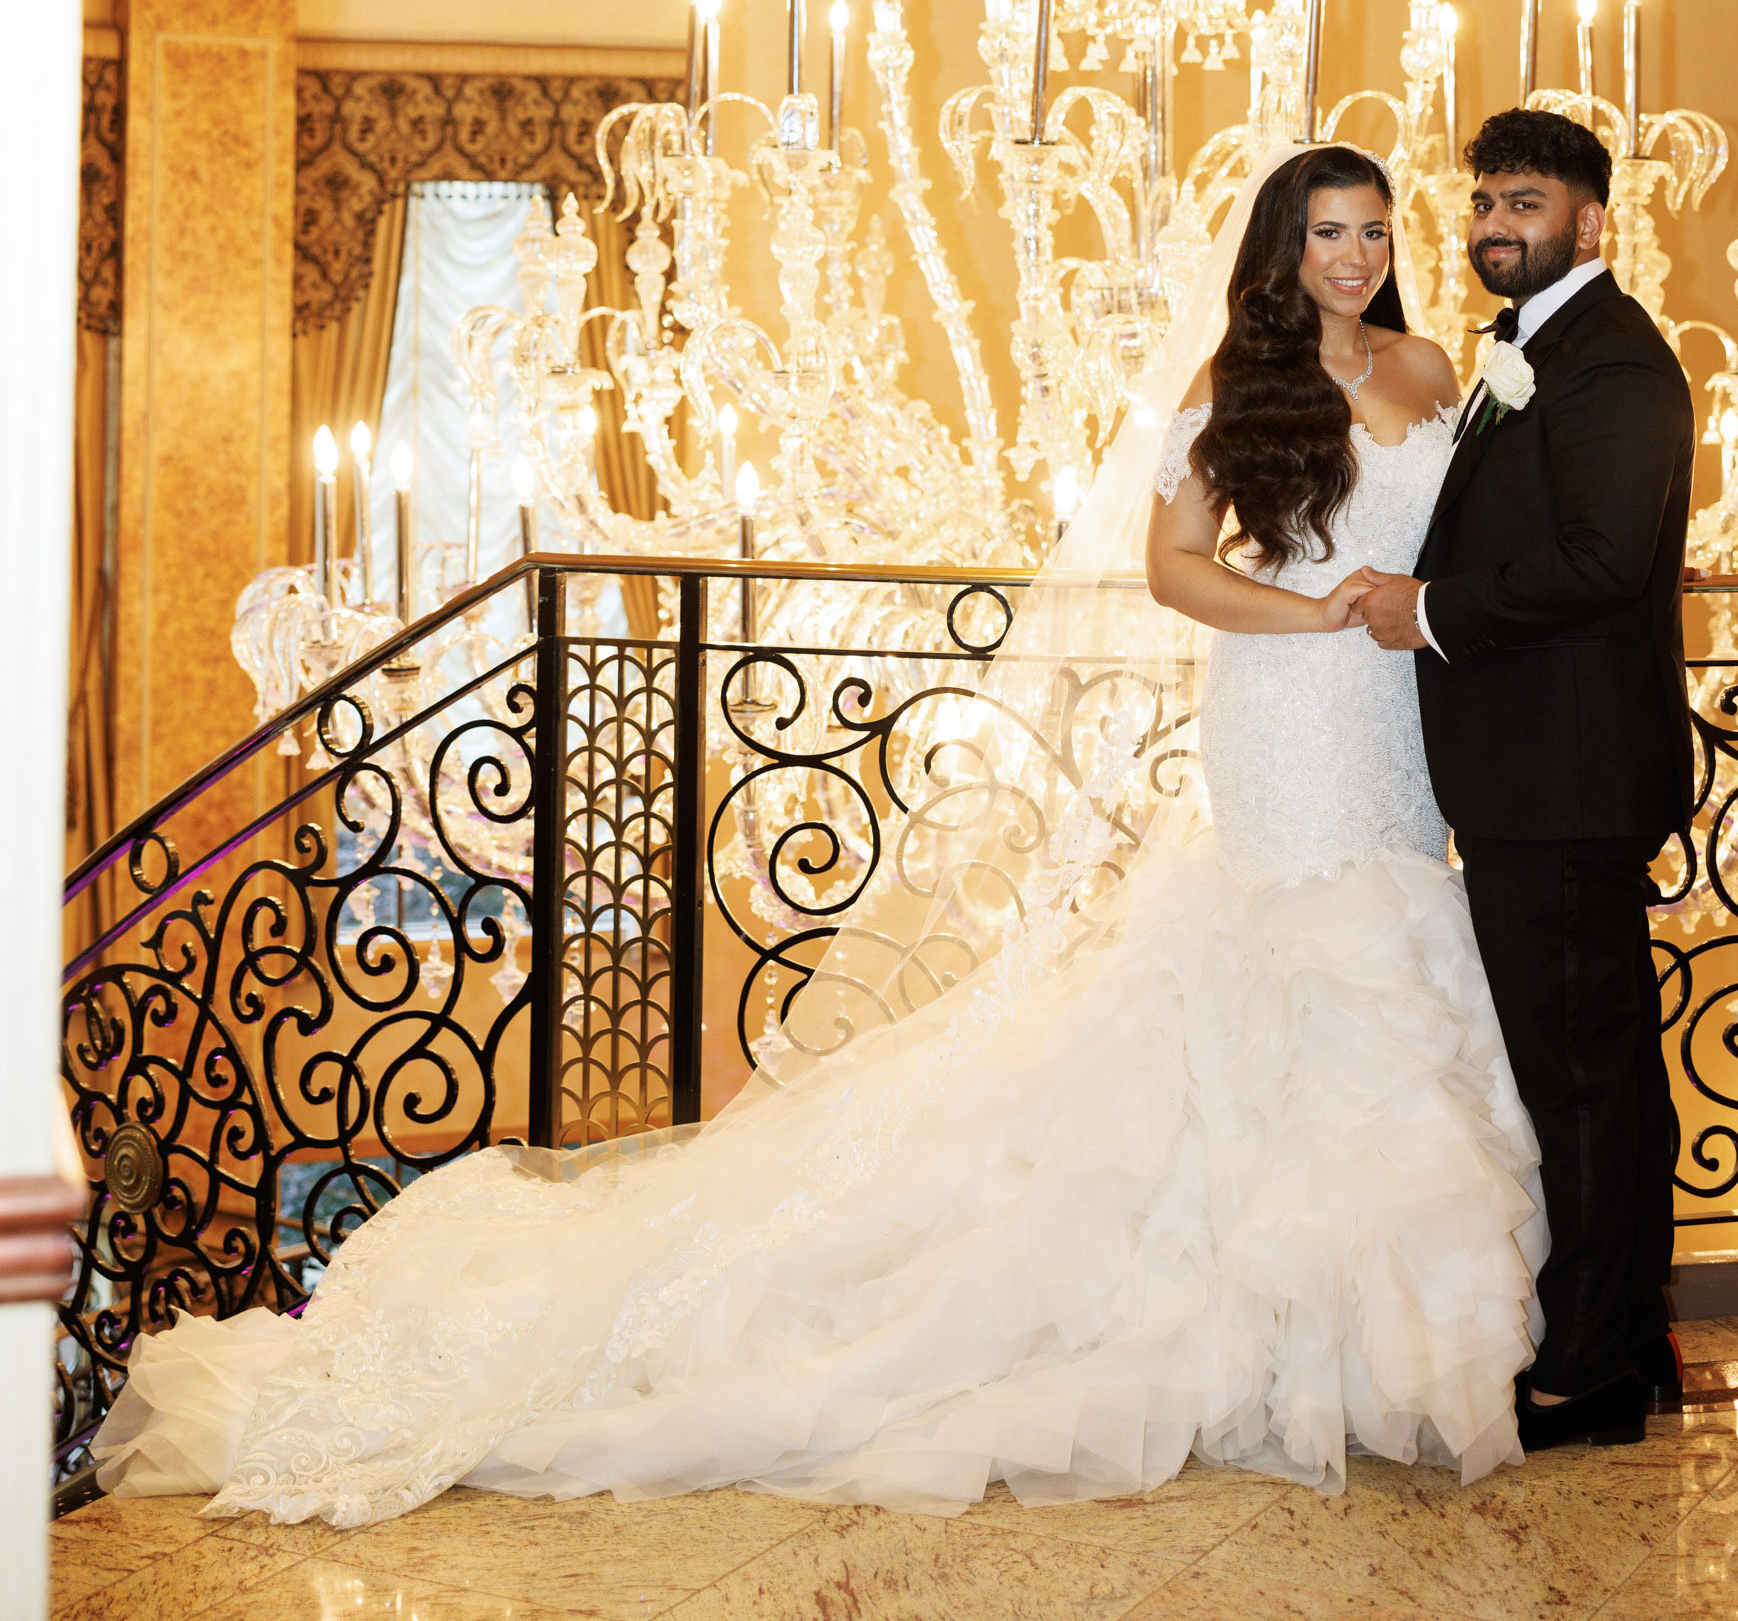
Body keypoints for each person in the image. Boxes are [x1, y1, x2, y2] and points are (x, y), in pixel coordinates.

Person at [94, 144, 1543, 1530]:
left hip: (1404, 711)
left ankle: (1363, 1346)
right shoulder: (1236, 380)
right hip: (1293, 703)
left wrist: (1426, 616)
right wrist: (1314, 615)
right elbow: (1170, 568)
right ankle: (1296, 1347)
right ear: (1279, 251)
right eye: (1324, 232)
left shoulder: (1435, 369)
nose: (1351, 257)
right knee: (1305, 947)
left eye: (1369, 232)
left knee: (1391, 950)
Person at [1344, 107, 1695, 1454]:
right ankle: (1621, 1336)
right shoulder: (1524, 354)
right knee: (1581, 1072)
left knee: (1586, 1081)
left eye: (1525, 203)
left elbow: (1608, 562)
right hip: (1527, 780)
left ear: (1589, 220)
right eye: (1484, 199)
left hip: (1568, 782)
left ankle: (1593, 1373)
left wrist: (1430, 610)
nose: (1496, 223)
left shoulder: (1612, 363)